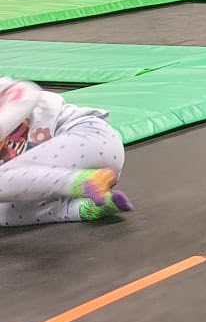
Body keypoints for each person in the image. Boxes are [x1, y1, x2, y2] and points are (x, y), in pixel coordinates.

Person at [0, 77, 131, 225]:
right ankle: (84, 208)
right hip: (74, 176)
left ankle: (80, 182)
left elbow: (27, 91)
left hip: (89, 137)